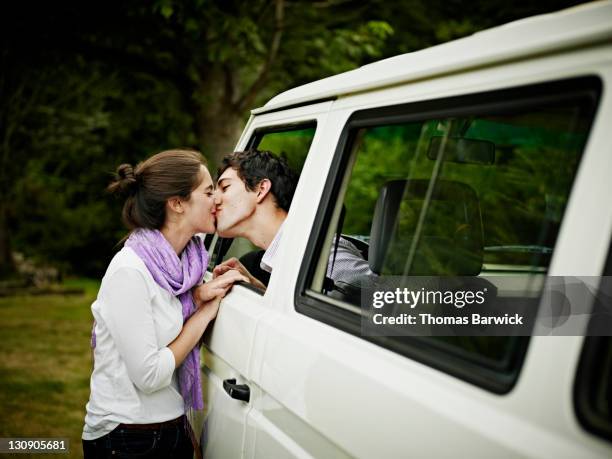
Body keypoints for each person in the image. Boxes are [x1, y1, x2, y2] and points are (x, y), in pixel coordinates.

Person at [82, 150, 246, 458]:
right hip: (127, 438)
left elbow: (162, 314)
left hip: (172, 427)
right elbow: (149, 376)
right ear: (177, 203)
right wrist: (204, 313)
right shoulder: (131, 271)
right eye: (208, 191)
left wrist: (197, 296)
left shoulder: (186, 265)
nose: (216, 200)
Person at [212, 149, 374, 290]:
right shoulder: (280, 256)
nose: (214, 200)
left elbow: (390, 300)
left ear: (261, 189)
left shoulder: (318, 254)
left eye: (225, 188)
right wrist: (257, 288)